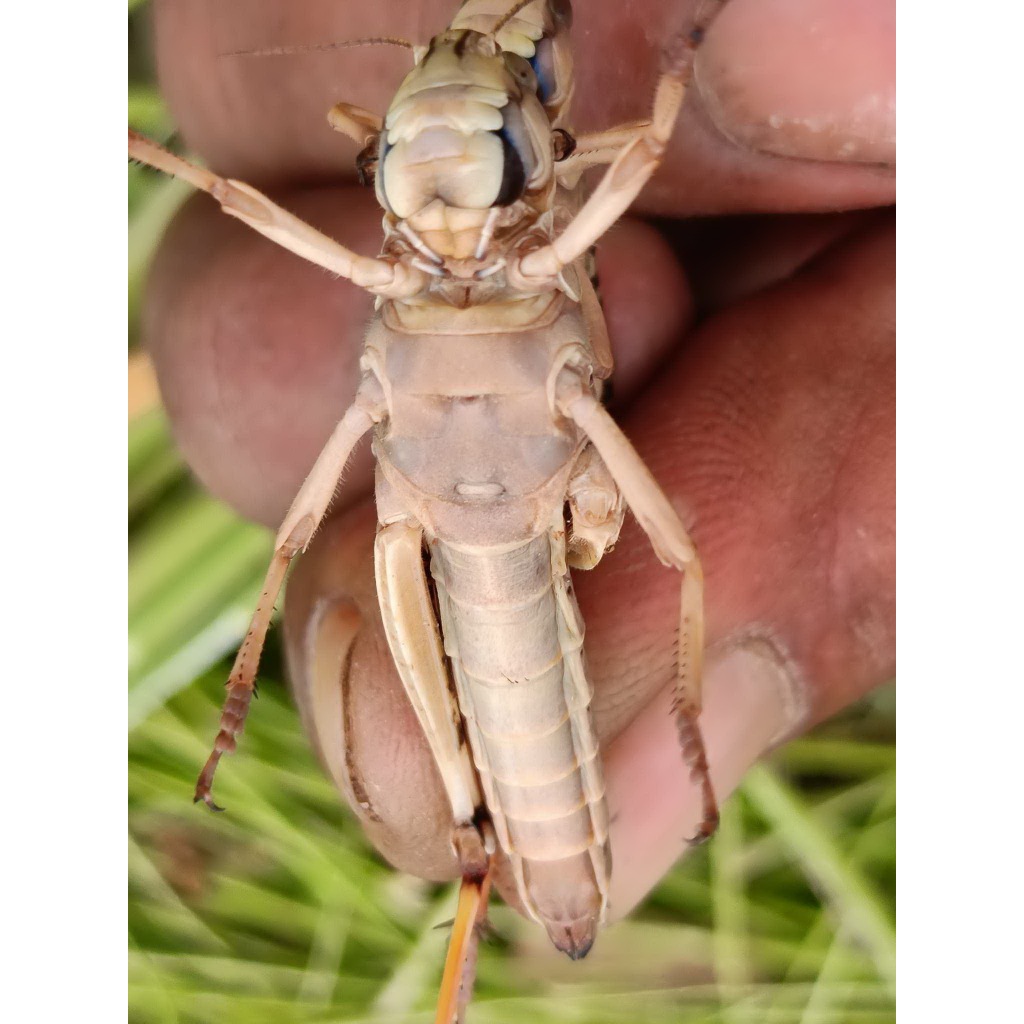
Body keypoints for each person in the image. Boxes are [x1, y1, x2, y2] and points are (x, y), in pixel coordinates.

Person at [143, 0, 894, 921]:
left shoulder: (543, 216)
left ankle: (669, 740)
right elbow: (238, 197)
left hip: (539, 468)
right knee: (337, 561)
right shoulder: (499, 214)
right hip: (434, 514)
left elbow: (644, 150)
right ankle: (325, 754)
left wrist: (683, 58)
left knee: (679, 556)